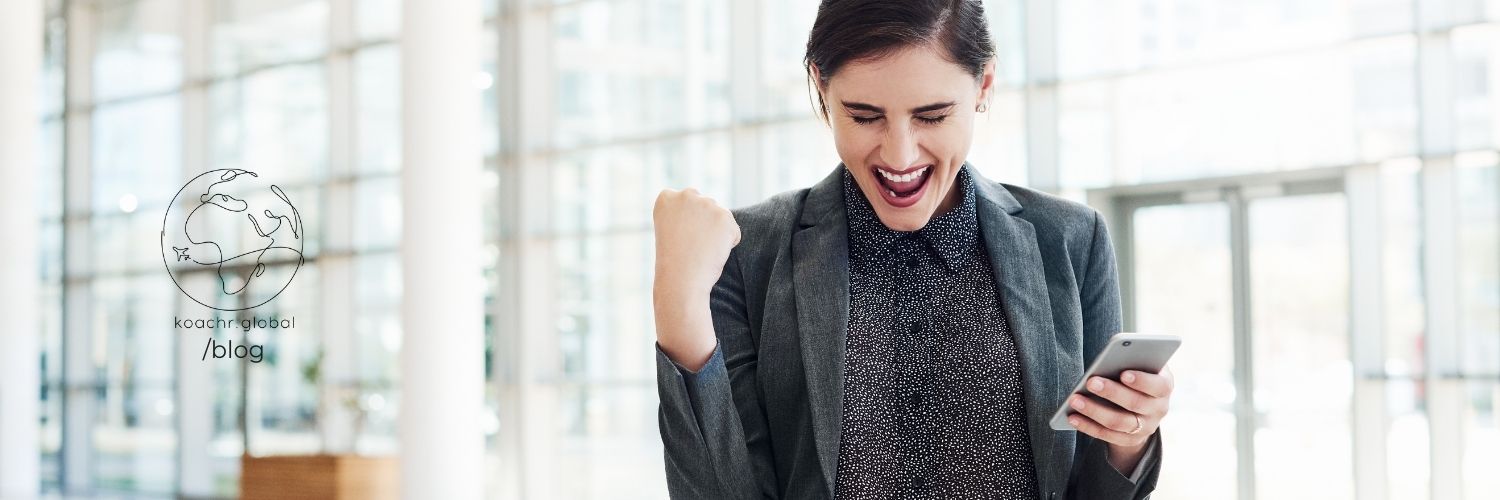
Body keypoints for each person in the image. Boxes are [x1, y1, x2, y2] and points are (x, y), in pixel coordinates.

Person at [651, 1, 1171, 498]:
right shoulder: (748, 252)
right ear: (820, 87)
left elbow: (1095, 487)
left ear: (983, 84)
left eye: (932, 116)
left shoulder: (1072, 240)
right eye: (864, 116)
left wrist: (1128, 437)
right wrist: (679, 307)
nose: (899, 154)